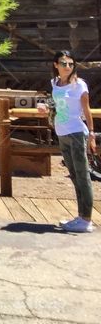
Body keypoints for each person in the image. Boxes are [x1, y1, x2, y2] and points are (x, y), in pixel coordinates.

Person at [47, 51, 96, 233]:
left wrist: (91, 133)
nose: (67, 67)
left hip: (76, 132)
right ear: (56, 65)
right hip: (62, 132)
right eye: (63, 63)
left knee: (82, 175)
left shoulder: (79, 85)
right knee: (74, 175)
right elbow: (55, 105)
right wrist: (47, 108)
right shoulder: (55, 83)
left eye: (70, 64)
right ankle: (80, 216)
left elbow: (86, 109)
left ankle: (86, 219)